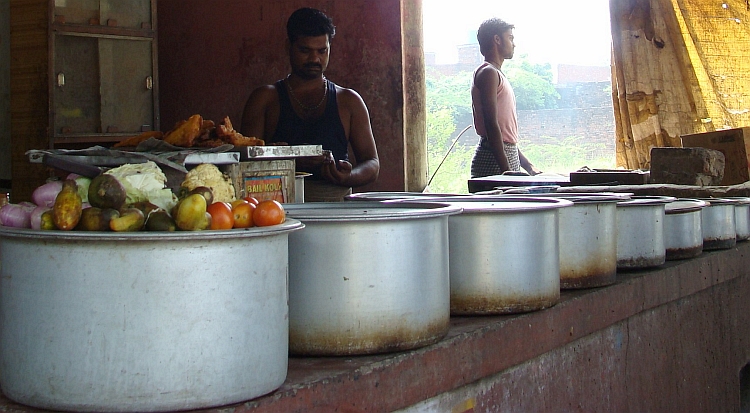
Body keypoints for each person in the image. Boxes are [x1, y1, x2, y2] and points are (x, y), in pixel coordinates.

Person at [240, 7, 380, 202]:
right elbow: (242, 160)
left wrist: (347, 176)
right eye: (305, 50)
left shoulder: (349, 101)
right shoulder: (265, 99)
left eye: (322, 51)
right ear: (288, 46)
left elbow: (372, 163)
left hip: (335, 211)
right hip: (275, 212)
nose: (315, 59)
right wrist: (284, 160)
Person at [470, 18, 542, 178]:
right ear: (497, 40)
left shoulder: (496, 73)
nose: (513, 44)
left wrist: (528, 166)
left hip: (505, 156)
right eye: (510, 38)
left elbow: (505, 137)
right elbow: (491, 125)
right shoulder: (488, 73)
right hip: (493, 160)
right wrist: (506, 171)